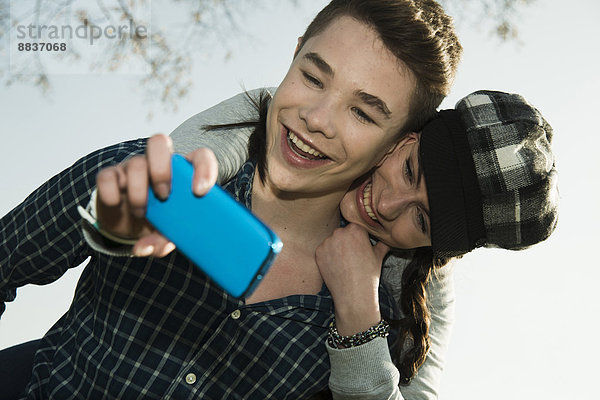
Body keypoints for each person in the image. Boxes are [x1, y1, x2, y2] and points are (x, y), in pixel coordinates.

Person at [0, 0, 462, 399]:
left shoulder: (366, 321)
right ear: (295, 52)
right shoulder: (149, 177)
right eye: (313, 77)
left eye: (361, 112)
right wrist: (114, 217)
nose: (317, 118)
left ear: (397, 145)